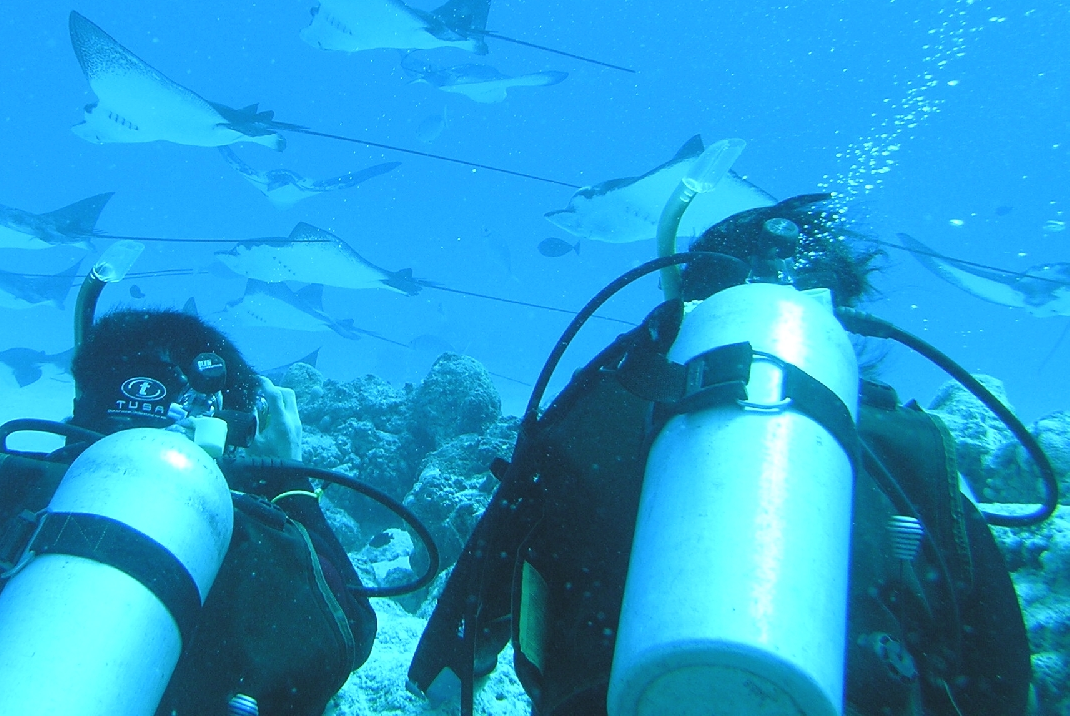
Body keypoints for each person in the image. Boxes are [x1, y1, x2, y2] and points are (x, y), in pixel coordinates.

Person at [410, 194, 1042, 716]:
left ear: (684, 304)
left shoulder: (594, 414)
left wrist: (443, 683)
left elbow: (459, 637)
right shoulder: (907, 450)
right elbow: (1002, 681)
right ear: (838, 325)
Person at [0, 307, 375, 716]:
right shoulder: (247, 537)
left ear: (80, 404)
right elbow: (351, 630)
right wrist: (289, 481)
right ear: (229, 427)